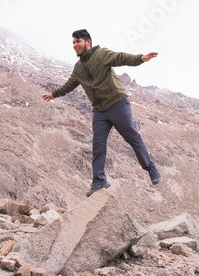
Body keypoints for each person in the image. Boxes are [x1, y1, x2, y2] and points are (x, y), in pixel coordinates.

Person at [43, 29, 161, 197]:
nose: (75, 45)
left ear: (87, 42)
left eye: (78, 42)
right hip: (100, 111)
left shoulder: (101, 54)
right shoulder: (78, 68)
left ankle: (151, 168)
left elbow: (120, 58)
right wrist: (54, 94)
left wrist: (140, 58)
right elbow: (70, 84)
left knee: (132, 137)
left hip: (117, 103)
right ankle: (99, 180)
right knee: (98, 145)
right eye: (73, 43)